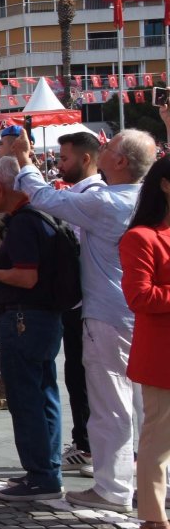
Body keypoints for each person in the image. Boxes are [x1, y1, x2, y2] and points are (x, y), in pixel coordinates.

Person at [8, 129, 157, 512]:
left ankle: (112, 488)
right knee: (149, 407)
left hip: (108, 315)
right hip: (143, 315)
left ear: (120, 161)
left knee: (111, 405)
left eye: (108, 147)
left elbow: (45, 198)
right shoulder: (147, 199)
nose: (101, 149)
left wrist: (24, 159)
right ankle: (156, 483)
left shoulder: (106, 201)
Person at [0, 156, 65, 502]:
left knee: (26, 399)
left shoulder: (24, 222)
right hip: (43, 317)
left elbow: (26, 276)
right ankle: (46, 470)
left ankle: (41, 476)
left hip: (24, 318)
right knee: (44, 393)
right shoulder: (39, 215)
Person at [118, 155, 170, 529]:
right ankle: (153, 518)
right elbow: (139, 297)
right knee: (159, 442)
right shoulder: (141, 237)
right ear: (165, 186)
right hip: (161, 356)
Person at [53, 131, 105, 473]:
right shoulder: (83, 194)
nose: (59, 165)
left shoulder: (91, 196)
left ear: (85, 159)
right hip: (81, 301)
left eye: (64, 158)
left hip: (86, 301)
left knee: (84, 376)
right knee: (78, 374)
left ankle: (87, 447)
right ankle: (86, 443)